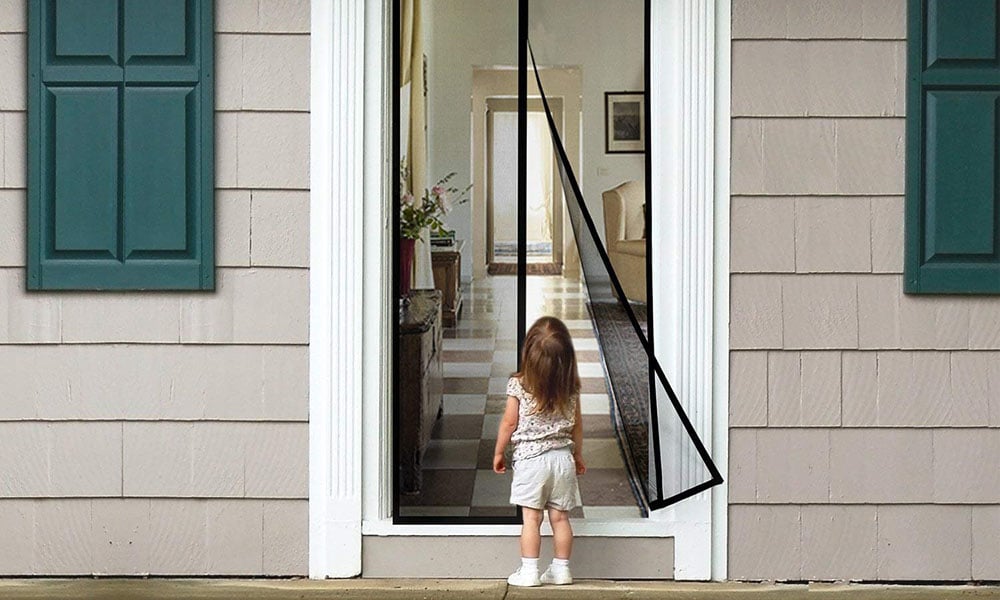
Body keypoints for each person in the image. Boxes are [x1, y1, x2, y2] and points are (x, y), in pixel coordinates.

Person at [493, 316, 586, 587]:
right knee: (560, 518)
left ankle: (530, 571)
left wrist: (499, 452)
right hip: (562, 460)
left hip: (531, 460)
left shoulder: (518, 385)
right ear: (567, 358)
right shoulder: (572, 389)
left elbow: (509, 422)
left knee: (531, 519)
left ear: (528, 355)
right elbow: (577, 425)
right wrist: (578, 455)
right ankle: (561, 569)